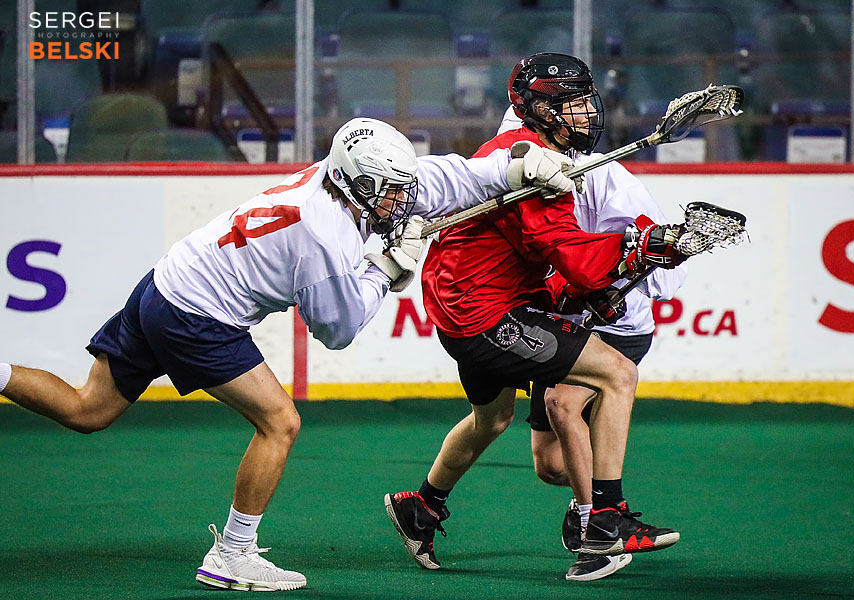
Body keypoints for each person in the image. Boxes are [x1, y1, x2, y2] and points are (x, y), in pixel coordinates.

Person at [0, 117, 578, 592]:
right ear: (362, 185)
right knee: (279, 422)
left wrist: (515, 166)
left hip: (166, 282)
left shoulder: (343, 177)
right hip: (197, 316)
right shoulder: (324, 236)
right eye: (391, 192)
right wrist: (386, 268)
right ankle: (232, 554)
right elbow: (339, 329)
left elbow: (439, 178)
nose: (402, 199)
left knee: (87, 409)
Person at [385, 53, 685, 581]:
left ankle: (422, 506)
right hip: (486, 314)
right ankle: (604, 519)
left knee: (492, 419)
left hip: (460, 304)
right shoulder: (535, 164)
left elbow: (542, 254)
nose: (584, 115)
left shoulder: (521, 149)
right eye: (568, 105)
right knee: (618, 374)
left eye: (585, 101)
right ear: (535, 109)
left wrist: (618, 260)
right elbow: (575, 259)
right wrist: (639, 248)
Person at [497, 105, 689, 580]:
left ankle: (598, 526)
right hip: (562, 320)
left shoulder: (611, 181)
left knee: (564, 404)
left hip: (617, 328)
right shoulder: (508, 184)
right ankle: (590, 510)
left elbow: (671, 271)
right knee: (550, 466)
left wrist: (616, 282)